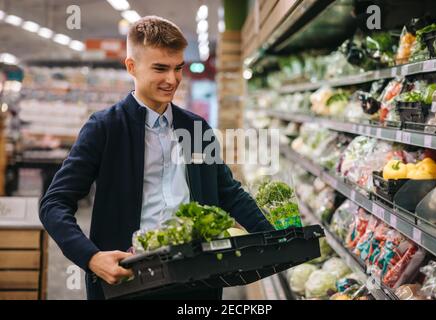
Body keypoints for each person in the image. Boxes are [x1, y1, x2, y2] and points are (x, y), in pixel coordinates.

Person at [39, 15, 273, 300]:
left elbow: (228, 192)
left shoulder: (197, 129)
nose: (172, 79)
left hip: (198, 279)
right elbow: (54, 203)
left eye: (178, 68)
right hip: (128, 280)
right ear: (132, 67)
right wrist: (91, 257)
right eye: (160, 68)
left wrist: (274, 237)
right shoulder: (105, 128)